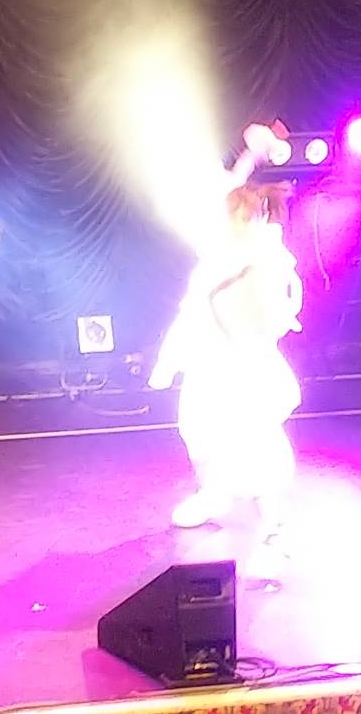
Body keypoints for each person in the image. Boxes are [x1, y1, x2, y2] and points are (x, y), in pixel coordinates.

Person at [150, 126, 303, 535]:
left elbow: (264, 312)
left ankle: (273, 517)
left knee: (253, 434)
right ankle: (213, 493)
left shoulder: (261, 257)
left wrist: (250, 346)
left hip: (243, 359)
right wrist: (252, 154)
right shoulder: (219, 250)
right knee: (197, 428)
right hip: (210, 356)